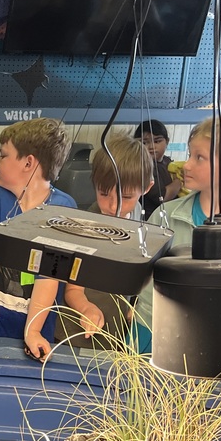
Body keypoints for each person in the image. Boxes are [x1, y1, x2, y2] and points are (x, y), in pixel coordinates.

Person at [131, 117, 221, 352]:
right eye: (189, 155)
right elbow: (142, 274)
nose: (187, 165)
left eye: (199, 158)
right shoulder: (165, 215)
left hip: (217, 342)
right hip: (151, 329)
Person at [0, 118, 76, 346]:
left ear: (28, 163)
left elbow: (50, 276)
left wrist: (33, 330)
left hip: (38, 319)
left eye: (4, 155)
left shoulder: (64, 210)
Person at [56, 134, 153, 349]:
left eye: (126, 197)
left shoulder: (142, 228)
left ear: (146, 188)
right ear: (94, 183)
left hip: (117, 337)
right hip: (76, 336)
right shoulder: (84, 229)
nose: (113, 206)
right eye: (104, 193)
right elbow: (73, 291)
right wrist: (87, 309)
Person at [134, 119, 180, 218]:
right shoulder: (141, 166)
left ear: (167, 141)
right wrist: (180, 181)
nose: (151, 146)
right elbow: (162, 198)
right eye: (144, 143)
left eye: (157, 141)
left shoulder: (169, 162)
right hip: (149, 219)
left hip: (170, 215)